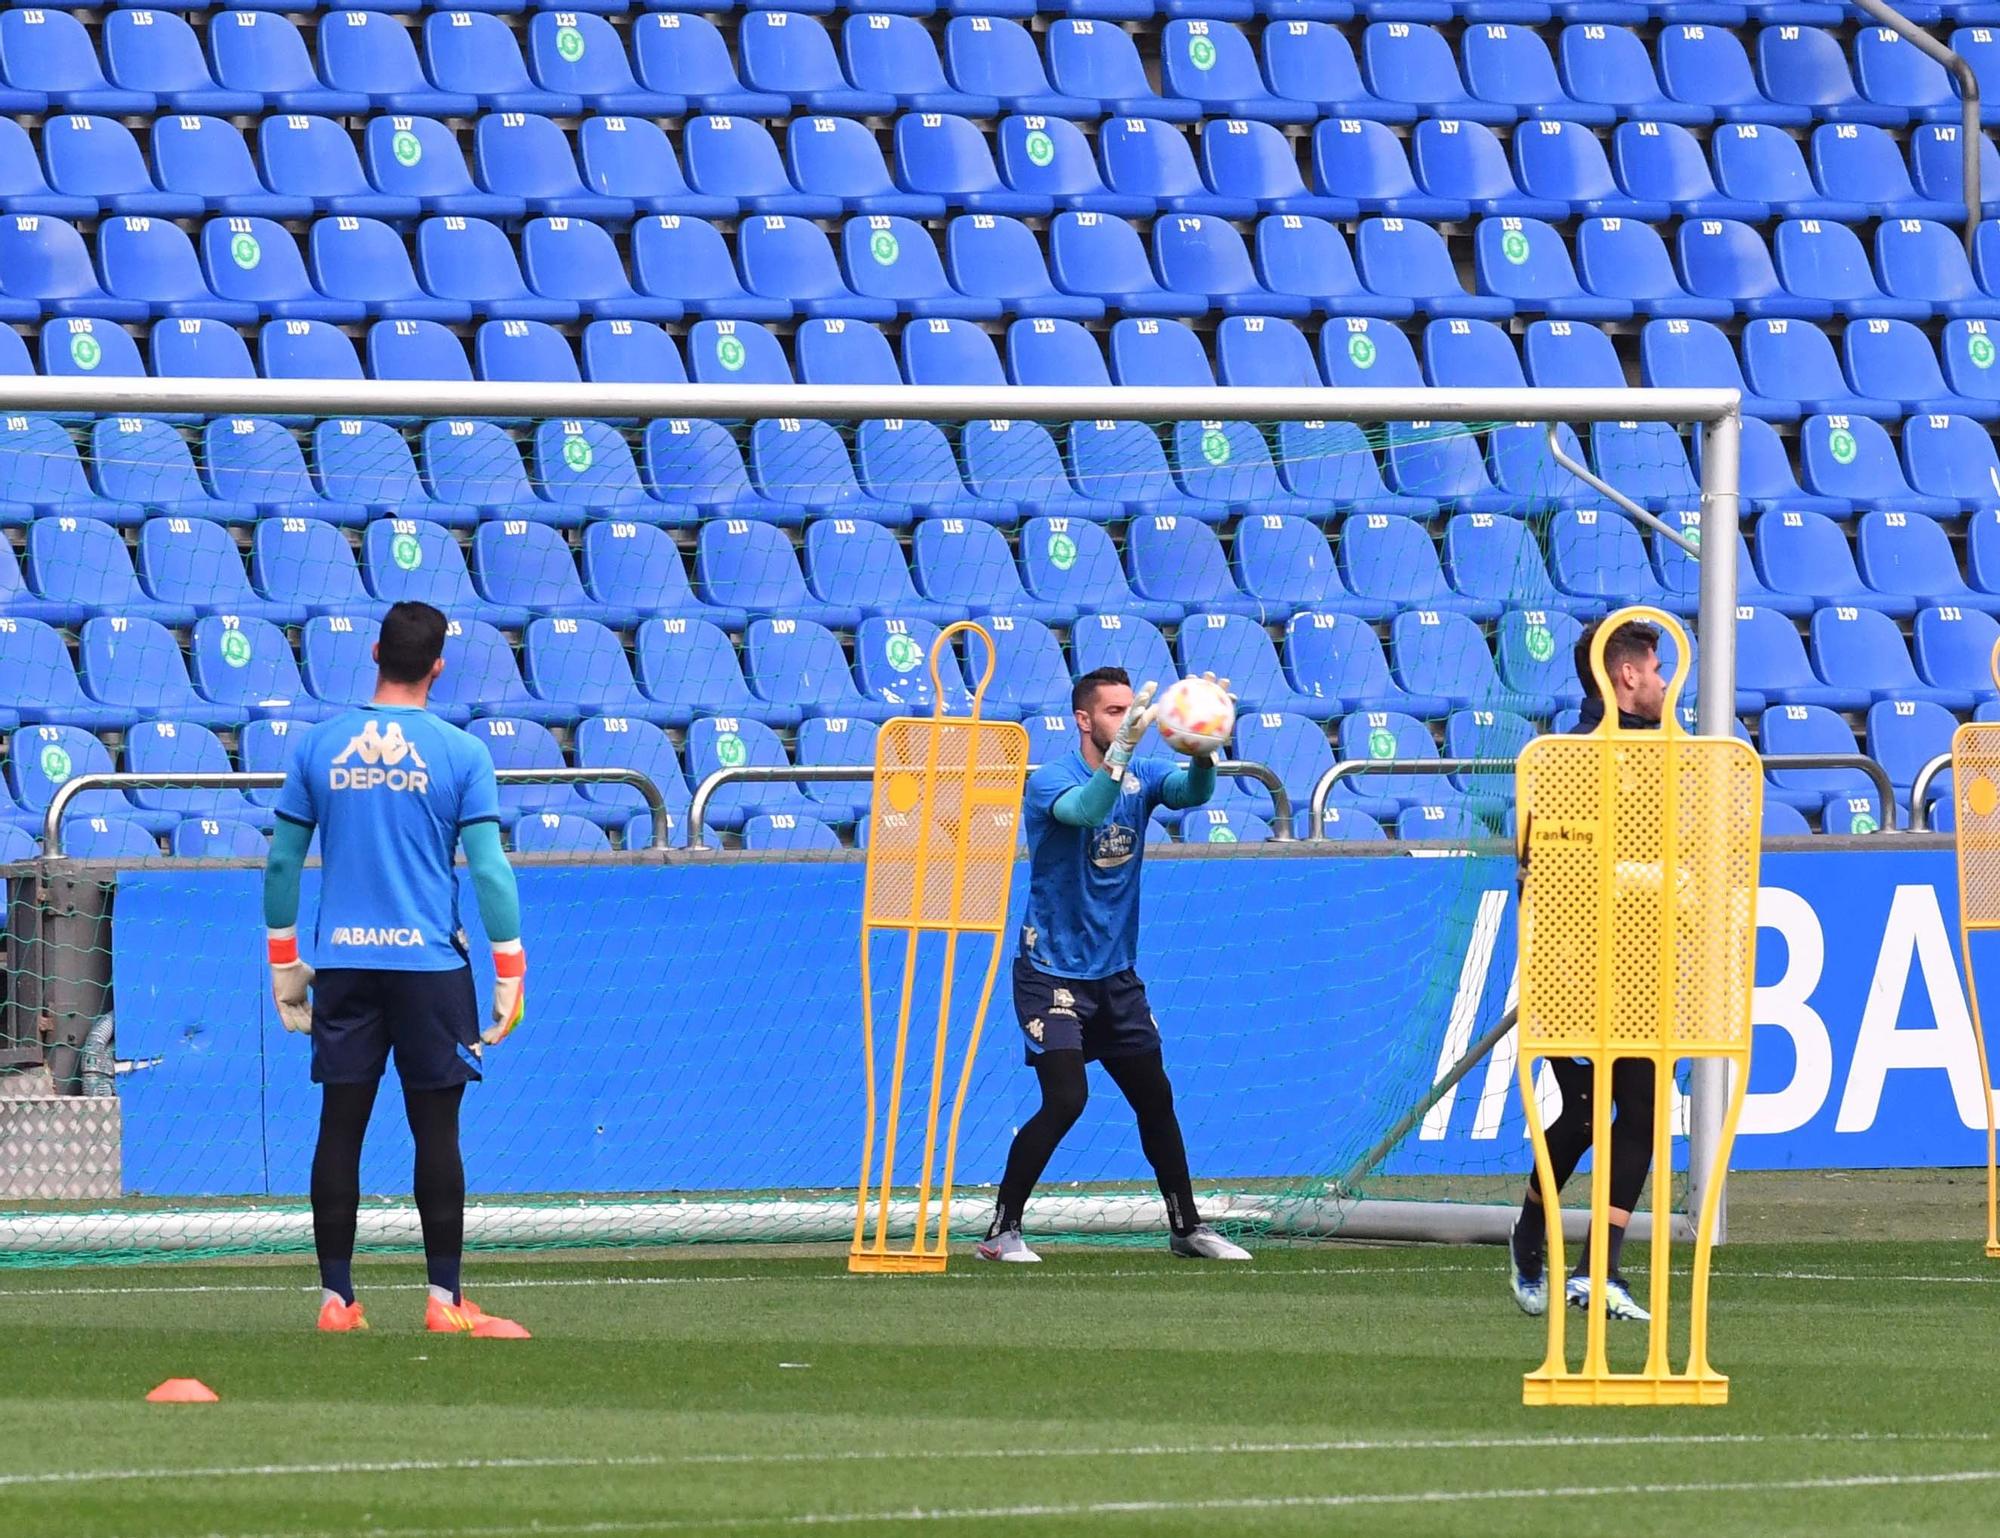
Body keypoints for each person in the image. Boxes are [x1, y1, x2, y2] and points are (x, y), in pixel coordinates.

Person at [264, 600, 532, 1338]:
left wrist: (285, 962)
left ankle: (335, 1300)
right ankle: (443, 1302)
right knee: (437, 1130)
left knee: (340, 1125)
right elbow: (489, 871)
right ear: (437, 667)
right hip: (429, 964)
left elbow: (284, 859)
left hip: (344, 962)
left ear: (375, 652)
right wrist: (510, 969)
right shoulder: (462, 753)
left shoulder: (319, 745)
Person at [978, 667, 1251, 1264]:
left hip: (1116, 975)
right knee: (1066, 1099)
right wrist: (1122, 751)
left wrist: (1205, 750)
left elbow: (1192, 794)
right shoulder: (1050, 780)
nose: (1128, 720)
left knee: (1156, 1098)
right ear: (1083, 719)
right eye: (1113, 712)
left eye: (1134, 711)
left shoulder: (1146, 774)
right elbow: (1085, 810)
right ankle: (1001, 1233)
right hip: (1050, 970)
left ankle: (1186, 1229)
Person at [1509, 618, 1666, 1324]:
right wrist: (1646, 878)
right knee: (1580, 1115)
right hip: (1571, 967)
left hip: (1639, 965)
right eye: (1656, 668)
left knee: (1644, 1111)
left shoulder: (1669, 753)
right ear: (1626, 675)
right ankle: (1527, 1236)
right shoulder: (1568, 756)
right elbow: (1556, 869)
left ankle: (1599, 1268)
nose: (1665, 682)